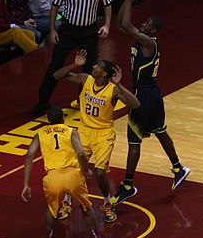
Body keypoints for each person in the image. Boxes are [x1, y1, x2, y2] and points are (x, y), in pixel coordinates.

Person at [111, 0, 191, 205]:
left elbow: (126, 25)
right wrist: (128, 1)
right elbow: (121, 24)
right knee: (160, 130)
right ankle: (178, 168)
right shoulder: (142, 38)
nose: (143, 24)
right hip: (152, 93)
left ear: (153, 31)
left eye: (147, 24)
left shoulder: (149, 42)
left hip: (144, 96)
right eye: (143, 22)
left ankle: (127, 185)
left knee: (134, 141)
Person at [53, 50, 140, 222]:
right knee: (73, 170)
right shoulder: (86, 79)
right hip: (84, 131)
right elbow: (57, 76)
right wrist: (74, 65)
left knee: (100, 173)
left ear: (105, 74)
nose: (93, 66)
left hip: (103, 135)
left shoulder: (113, 90)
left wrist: (120, 85)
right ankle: (66, 202)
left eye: (98, 66)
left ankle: (107, 203)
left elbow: (136, 104)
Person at [21, 106, 107, 238]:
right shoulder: (70, 131)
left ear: (48, 121)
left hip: (52, 178)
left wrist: (26, 184)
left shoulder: (39, 134)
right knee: (86, 207)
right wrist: (86, 170)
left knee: (52, 209)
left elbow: (29, 155)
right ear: (63, 119)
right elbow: (80, 153)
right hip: (73, 175)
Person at [32, 0, 112, 116]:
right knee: (55, 65)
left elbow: (107, 4)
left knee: (90, 68)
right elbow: (54, 7)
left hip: (89, 31)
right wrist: (53, 29)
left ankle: (84, 100)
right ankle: (43, 101)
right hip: (68, 30)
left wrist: (107, 25)